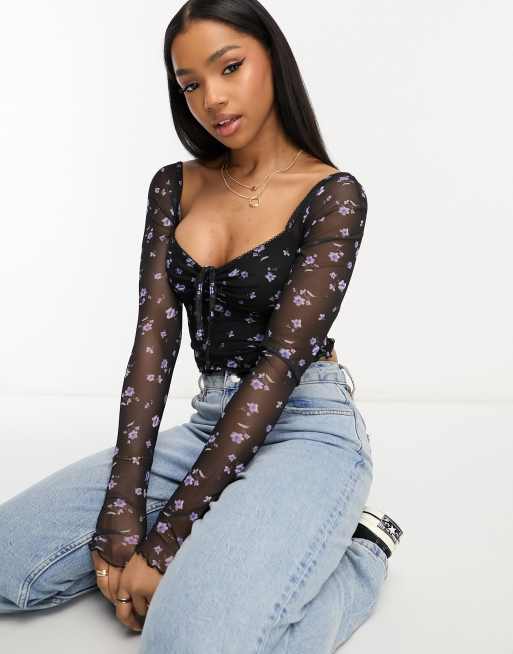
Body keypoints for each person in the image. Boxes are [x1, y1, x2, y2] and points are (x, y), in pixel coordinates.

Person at [0, 1, 403, 651]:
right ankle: (223, 547)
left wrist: (163, 544)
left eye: (230, 67)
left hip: (305, 426)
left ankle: (359, 555)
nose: (211, 99)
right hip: (211, 424)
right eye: (190, 84)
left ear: (272, 59)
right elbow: (151, 348)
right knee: (5, 559)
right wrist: (122, 514)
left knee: (184, 641)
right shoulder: (174, 187)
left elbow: (278, 368)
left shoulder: (333, 195)